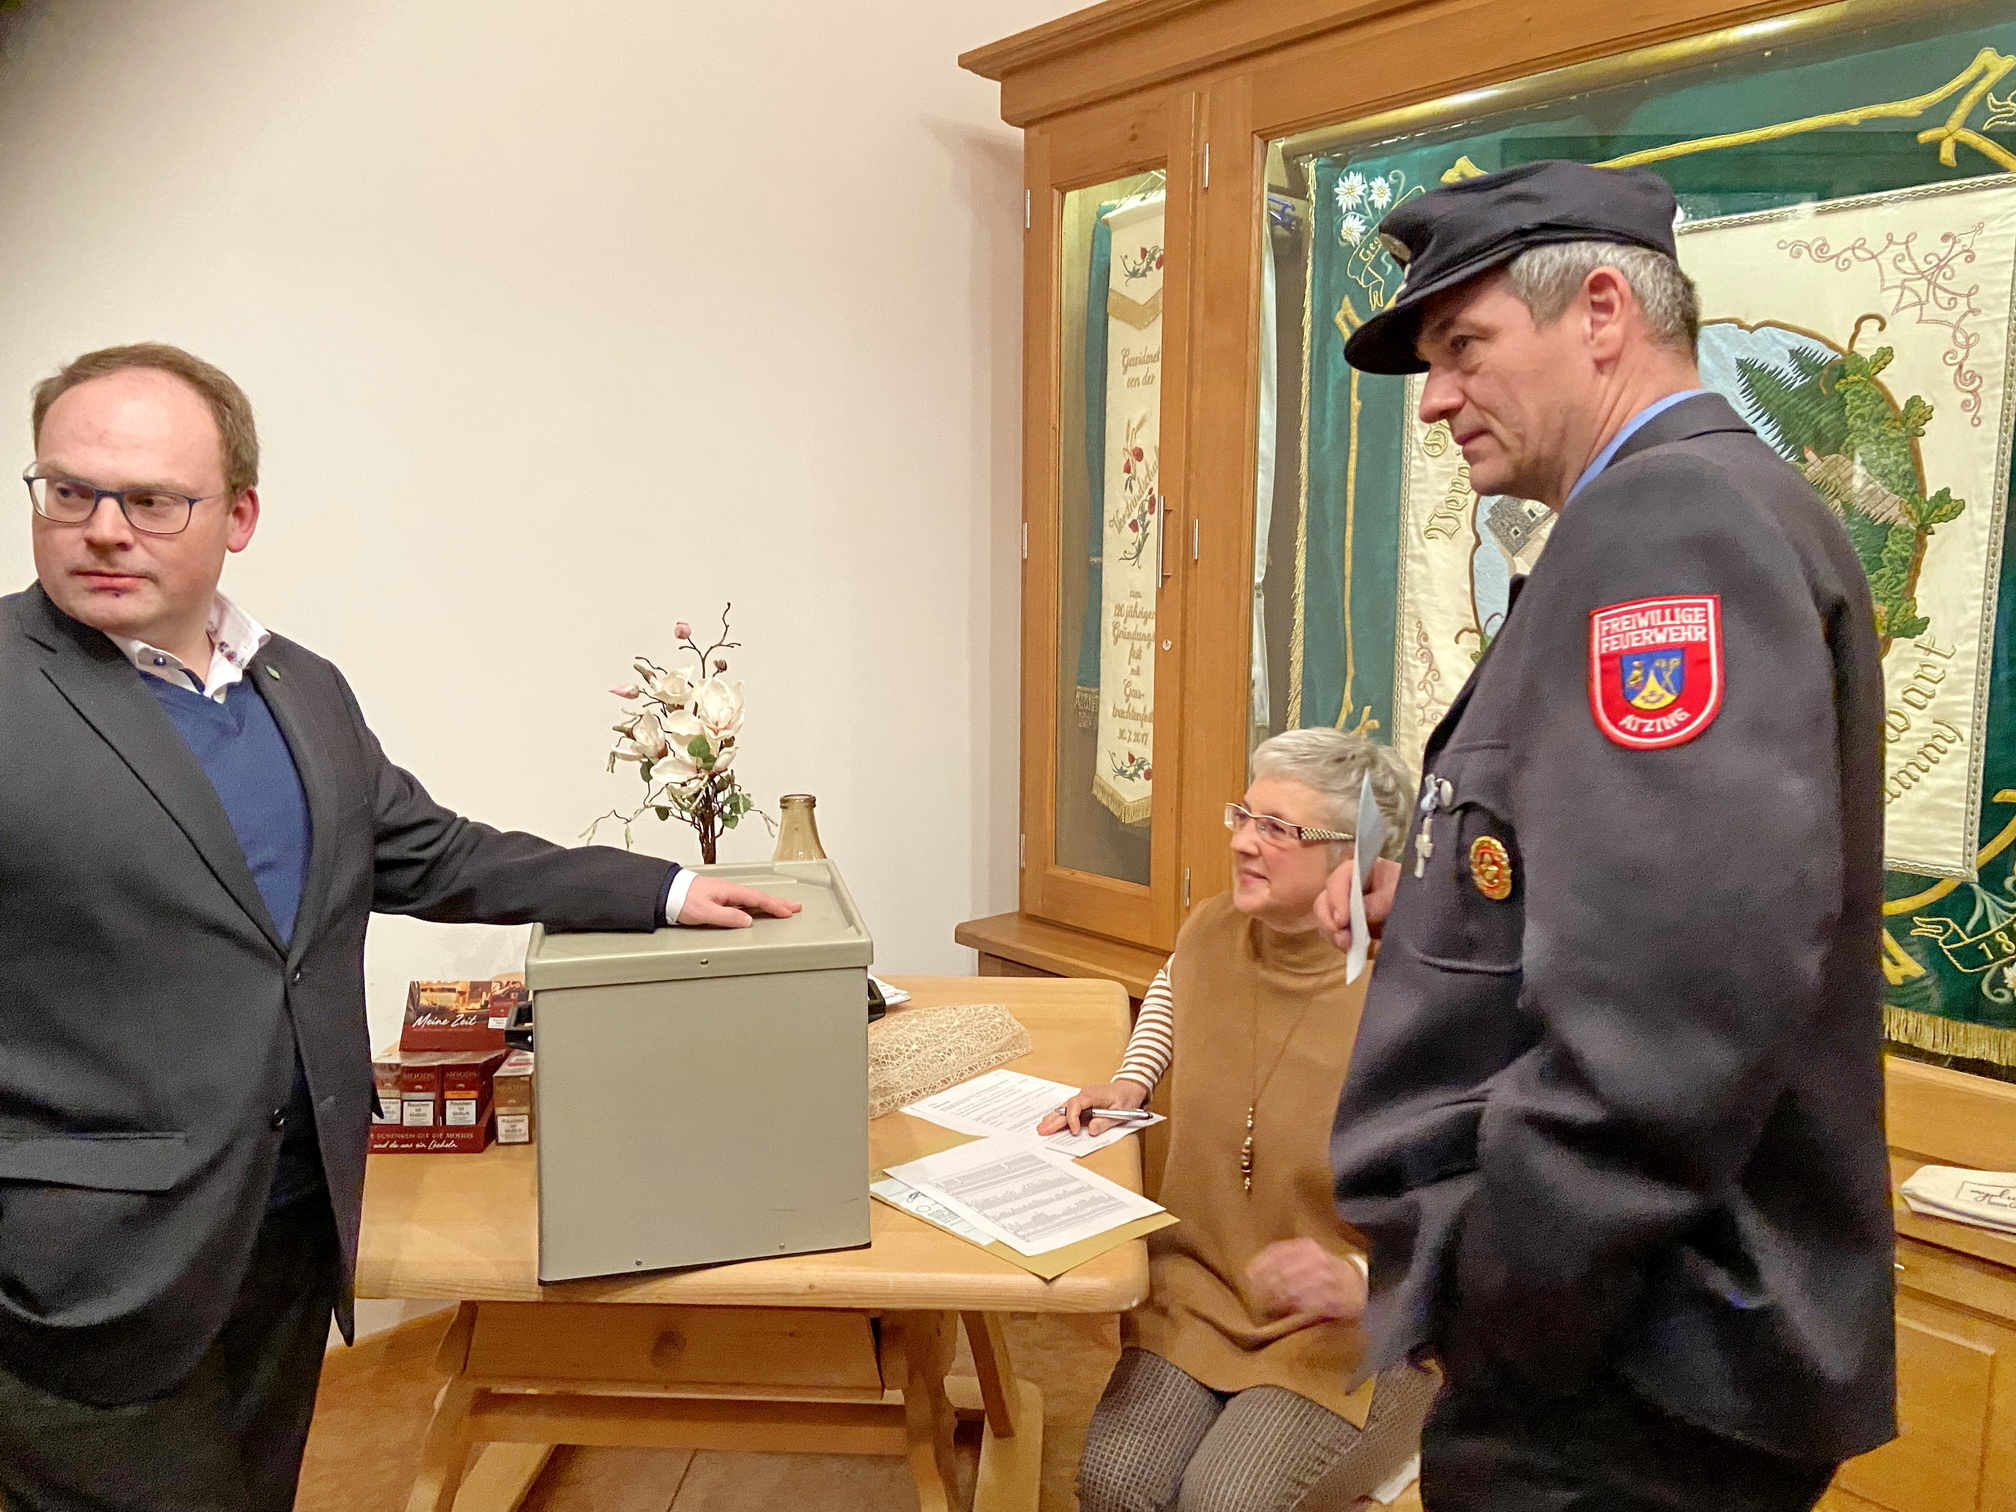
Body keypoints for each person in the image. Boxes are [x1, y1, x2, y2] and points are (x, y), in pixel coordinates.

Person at [0, 344, 798, 1512]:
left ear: (239, 515)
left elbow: (431, 852)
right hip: (81, 1279)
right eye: (70, 492)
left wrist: (664, 890)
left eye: (152, 501)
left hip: (287, 1228)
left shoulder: (299, 687)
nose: (105, 530)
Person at [1320, 160, 1895, 1511]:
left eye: (1462, 346)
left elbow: (1678, 1002)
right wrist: (1447, 908)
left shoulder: (1665, 520)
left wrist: (1508, 1290)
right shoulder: (1700, 504)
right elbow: (1665, 890)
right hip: (1649, 1347)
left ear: (1598, 311)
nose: (1436, 397)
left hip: (1630, 1368)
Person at [1042, 728, 1438, 1512]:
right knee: (1113, 1485)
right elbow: (1175, 980)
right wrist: (1134, 1076)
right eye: (1245, 815)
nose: (1242, 842)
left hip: (1352, 1325)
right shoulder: (1212, 929)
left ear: (1356, 859)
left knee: (1225, 1502)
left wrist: (1362, 1281)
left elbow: (1479, 1189)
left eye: (1279, 829)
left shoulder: (1413, 995)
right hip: (1201, 1293)